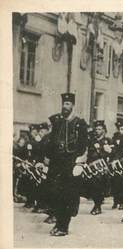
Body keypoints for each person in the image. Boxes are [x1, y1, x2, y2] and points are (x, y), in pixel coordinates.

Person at [46, 93, 88, 236]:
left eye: (68, 104)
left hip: (71, 164)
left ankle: (64, 226)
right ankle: (58, 223)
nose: (65, 107)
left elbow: (84, 145)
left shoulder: (79, 124)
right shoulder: (57, 122)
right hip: (56, 164)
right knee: (55, 194)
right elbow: (51, 143)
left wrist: (80, 163)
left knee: (68, 196)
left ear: (73, 106)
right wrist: (47, 161)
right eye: (64, 104)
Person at [84, 120, 113, 215]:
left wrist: (104, 150)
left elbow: (111, 154)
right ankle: (96, 205)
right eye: (96, 129)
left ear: (104, 130)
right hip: (91, 166)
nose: (97, 131)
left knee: (99, 187)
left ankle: (98, 206)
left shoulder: (108, 140)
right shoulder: (91, 141)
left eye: (99, 129)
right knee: (93, 187)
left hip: (102, 167)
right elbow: (88, 153)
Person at [111, 119, 123, 210]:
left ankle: (122, 202)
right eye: (119, 128)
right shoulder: (115, 136)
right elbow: (114, 148)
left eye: (122, 128)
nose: (121, 130)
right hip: (116, 160)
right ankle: (115, 201)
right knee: (115, 182)